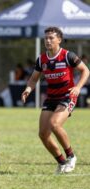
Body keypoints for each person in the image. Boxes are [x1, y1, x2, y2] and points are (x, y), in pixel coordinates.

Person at [21, 27, 89, 174]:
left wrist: (77, 87)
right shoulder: (42, 59)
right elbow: (33, 79)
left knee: (54, 124)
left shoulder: (67, 56)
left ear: (59, 40)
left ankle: (71, 156)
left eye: (51, 38)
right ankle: (61, 161)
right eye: (46, 38)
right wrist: (28, 89)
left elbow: (86, 71)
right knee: (43, 134)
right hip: (51, 98)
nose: (48, 40)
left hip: (67, 96)